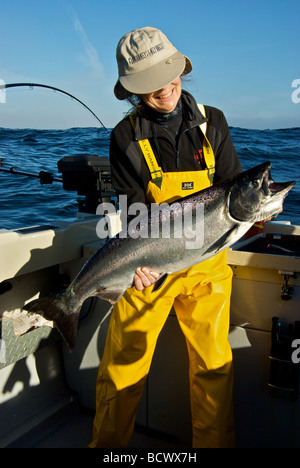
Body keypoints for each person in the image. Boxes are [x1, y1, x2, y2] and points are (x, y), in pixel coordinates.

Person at [89, 26, 242, 449]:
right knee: (123, 367)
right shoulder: (125, 136)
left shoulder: (215, 122)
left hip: (207, 268)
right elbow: (133, 214)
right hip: (149, 267)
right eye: (151, 82)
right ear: (134, 91)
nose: (165, 87)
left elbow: (233, 190)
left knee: (214, 368)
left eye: (169, 73)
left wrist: (260, 212)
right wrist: (136, 269)